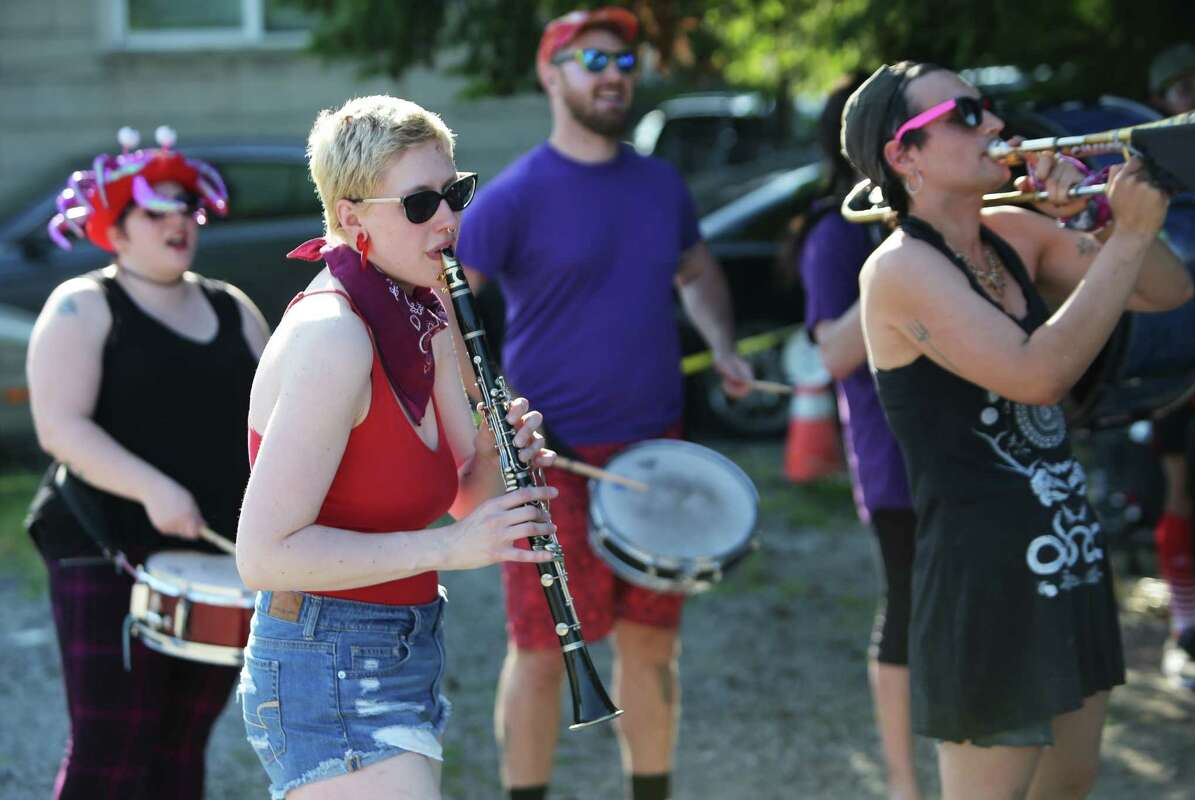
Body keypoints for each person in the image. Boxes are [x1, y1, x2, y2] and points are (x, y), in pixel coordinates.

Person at [842, 61, 1193, 799]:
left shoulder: (1012, 235)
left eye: (990, 108)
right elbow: (1037, 374)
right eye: (965, 116)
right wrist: (1124, 236)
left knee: (1067, 790)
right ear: (904, 155)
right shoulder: (899, 269)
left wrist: (1090, 217)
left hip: (1067, 554)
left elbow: (1170, 290)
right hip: (985, 580)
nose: (997, 126)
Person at [455, 8, 754, 800]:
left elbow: (695, 272)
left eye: (623, 60)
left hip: (657, 451)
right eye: (592, 59)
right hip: (554, 464)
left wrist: (722, 344)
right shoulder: (511, 195)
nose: (614, 72)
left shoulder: (661, 183)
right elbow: (448, 309)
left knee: (653, 647)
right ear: (551, 75)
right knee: (544, 650)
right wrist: (485, 416)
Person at [235, 94, 559, 800]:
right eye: (419, 205)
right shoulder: (334, 335)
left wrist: (498, 457)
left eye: (455, 194)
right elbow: (262, 556)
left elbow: (461, 496)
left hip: (403, 642)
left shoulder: (426, 308)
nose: (448, 218)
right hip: (324, 654)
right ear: (351, 218)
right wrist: (452, 549)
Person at [24, 126, 270, 799]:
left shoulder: (234, 308)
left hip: (216, 557)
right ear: (115, 230)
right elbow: (59, 428)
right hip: (103, 543)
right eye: (153, 212)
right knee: (112, 742)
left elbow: (273, 425)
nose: (176, 223)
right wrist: (154, 488)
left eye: (184, 210)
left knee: (180, 746)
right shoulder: (81, 306)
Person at [794, 73, 922, 800]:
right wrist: (902, 257)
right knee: (906, 611)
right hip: (895, 458)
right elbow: (835, 352)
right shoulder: (835, 232)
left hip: (969, 452)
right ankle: (905, 786)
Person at [1145, 41, 1195, 690]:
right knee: (1179, 488)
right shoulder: (1152, 161)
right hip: (1177, 361)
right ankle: (1186, 630)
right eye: (1182, 89)